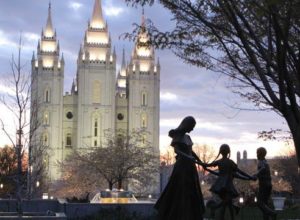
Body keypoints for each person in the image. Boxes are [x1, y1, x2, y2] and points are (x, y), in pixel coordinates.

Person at [154, 116, 205, 220]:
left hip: (191, 167)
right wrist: (188, 157)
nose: (192, 129)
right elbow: (177, 151)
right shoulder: (177, 136)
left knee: (192, 190)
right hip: (182, 167)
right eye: (192, 126)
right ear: (187, 125)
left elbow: (191, 152)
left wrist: (201, 162)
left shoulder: (188, 138)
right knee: (180, 189)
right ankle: (178, 213)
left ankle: (192, 214)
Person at [203, 144, 253, 220]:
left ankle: (217, 209)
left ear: (221, 152)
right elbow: (240, 172)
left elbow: (208, 165)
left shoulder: (220, 162)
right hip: (227, 186)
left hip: (220, 186)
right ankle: (227, 210)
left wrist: (204, 166)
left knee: (227, 202)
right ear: (228, 152)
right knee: (226, 202)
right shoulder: (230, 162)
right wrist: (249, 177)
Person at [253, 147, 277, 220]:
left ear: (260, 154)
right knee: (265, 204)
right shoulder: (265, 161)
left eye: (257, 153)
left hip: (264, 185)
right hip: (268, 185)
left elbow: (262, 168)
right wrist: (256, 176)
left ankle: (273, 213)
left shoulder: (261, 162)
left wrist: (256, 174)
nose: (256, 155)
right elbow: (263, 172)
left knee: (259, 203)